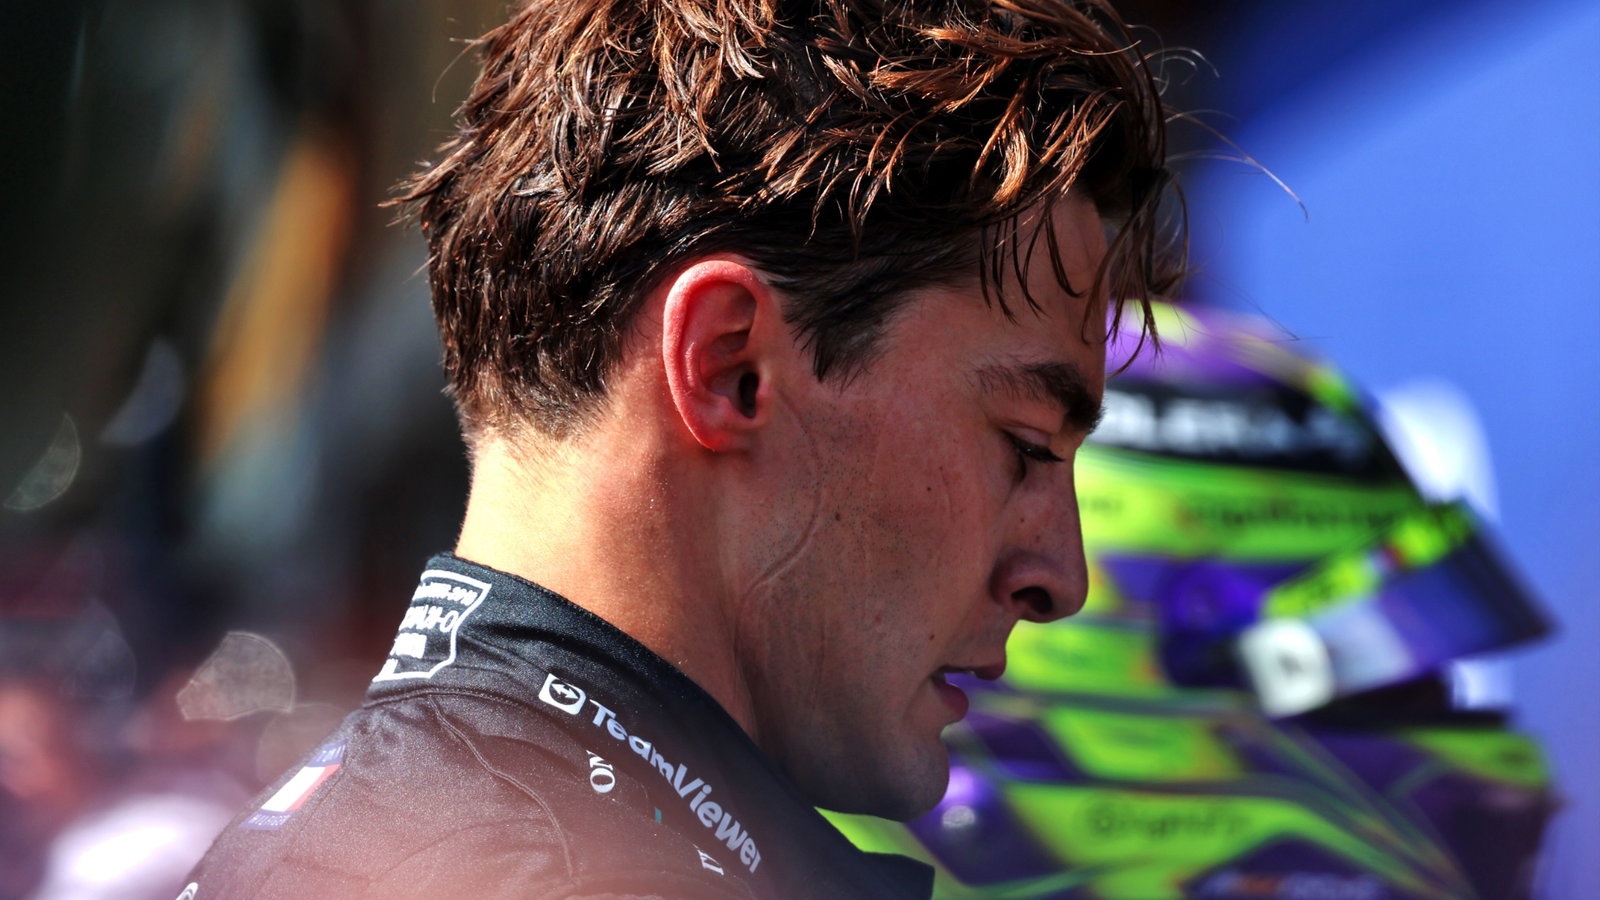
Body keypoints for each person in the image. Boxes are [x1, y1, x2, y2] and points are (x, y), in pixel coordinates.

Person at [186, 0, 1181, 896]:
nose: (1061, 575)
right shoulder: (541, 869)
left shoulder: (422, 828)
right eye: (1025, 445)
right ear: (727, 366)